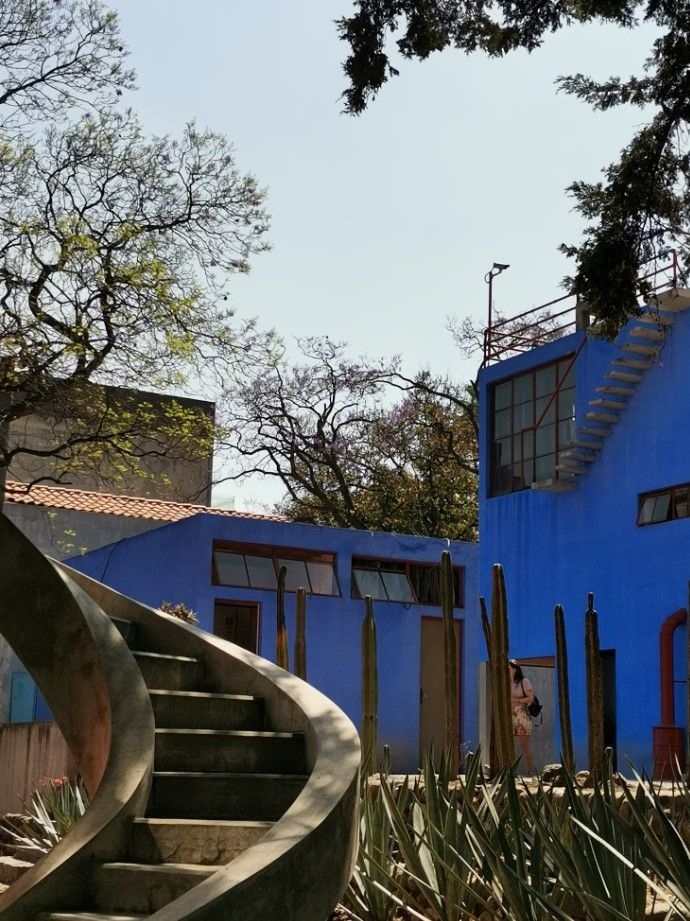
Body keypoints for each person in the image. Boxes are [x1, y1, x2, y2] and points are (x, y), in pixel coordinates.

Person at [509, 659, 535, 773]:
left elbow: (531, 697)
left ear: (515, 669)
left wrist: (517, 701)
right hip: (510, 715)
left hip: (521, 716)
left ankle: (529, 771)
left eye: (509, 668)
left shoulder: (524, 681)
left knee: (524, 744)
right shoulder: (506, 682)